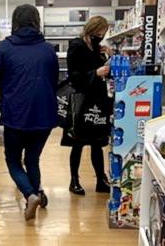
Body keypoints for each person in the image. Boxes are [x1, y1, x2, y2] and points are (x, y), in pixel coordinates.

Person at [0, 4, 59, 221]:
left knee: (13, 160)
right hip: (44, 116)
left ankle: (30, 194)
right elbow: (55, 81)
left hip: (16, 116)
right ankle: (33, 194)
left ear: (15, 22)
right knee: (32, 159)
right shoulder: (48, 49)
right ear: (36, 21)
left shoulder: (5, 48)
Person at [62, 16, 113, 195]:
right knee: (78, 142)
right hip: (81, 101)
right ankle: (74, 180)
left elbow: (108, 73)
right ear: (91, 30)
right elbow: (74, 76)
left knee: (97, 143)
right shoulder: (76, 47)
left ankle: (101, 179)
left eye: (104, 33)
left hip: (98, 100)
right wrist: (95, 72)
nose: (101, 36)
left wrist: (110, 57)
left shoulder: (98, 49)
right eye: (100, 32)